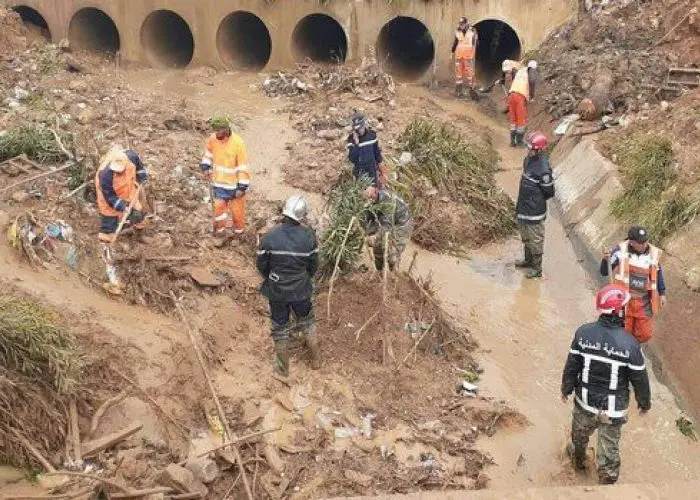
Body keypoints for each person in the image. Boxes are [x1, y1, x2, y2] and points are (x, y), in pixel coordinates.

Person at [561, 284, 651, 485]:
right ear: (619, 311)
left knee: (579, 437)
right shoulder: (630, 344)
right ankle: (608, 483)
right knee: (609, 448)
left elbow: (571, 366)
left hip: (584, 402)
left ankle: (579, 461)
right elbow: (640, 380)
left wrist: (565, 389)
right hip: (613, 409)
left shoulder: (583, 333)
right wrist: (644, 403)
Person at [256, 195, 320, 377]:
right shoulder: (309, 237)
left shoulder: (269, 237)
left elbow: (261, 265)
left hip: (277, 290)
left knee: (279, 327)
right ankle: (316, 360)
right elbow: (313, 265)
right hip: (301, 289)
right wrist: (303, 278)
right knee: (307, 321)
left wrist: (273, 278)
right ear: (302, 216)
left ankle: (283, 369)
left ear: (285, 212)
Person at [600, 226, 666, 343]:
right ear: (631, 242)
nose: (644, 244)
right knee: (623, 331)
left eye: (645, 241)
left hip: (644, 303)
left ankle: (633, 347)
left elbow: (658, 272)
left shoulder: (653, 254)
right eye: (640, 242)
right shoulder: (619, 251)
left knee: (645, 333)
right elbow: (604, 272)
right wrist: (606, 260)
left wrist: (662, 293)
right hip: (624, 303)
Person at [199, 117, 251, 242]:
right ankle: (220, 232)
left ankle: (238, 235)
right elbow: (208, 155)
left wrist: (242, 187)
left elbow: (242, 167)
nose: (217, 134)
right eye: (215, 131)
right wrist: (205, 167)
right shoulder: (213, 140)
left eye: (219, 131)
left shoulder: (238, 143)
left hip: (235, 187)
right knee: (218, 209)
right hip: (219, 184)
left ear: (226, 129)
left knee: (237, 213)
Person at [514, 131, 554, 279]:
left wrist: (534, 201)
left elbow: (549, 192)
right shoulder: (528, 161)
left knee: (536, 239)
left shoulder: (543, 169)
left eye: (532, 149)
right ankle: (528, 260)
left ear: (540, 150)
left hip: (535, 211)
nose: (529, 151)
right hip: (523, 207)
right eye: (529, 148)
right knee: (525, 236)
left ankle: (537, 269)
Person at [95, 145, 148, 243]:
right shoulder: (105, 175)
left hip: (127, 187)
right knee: (109, 212)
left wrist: (142, 176)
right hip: (108, 193)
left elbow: (140, 167)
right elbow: (110, 196)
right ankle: (106, 237)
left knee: (138, 211)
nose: (118, 172)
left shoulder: (131, 156)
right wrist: (123, 206)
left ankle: (139, 234)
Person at [364, 186, 411, 272]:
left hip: (400, 224)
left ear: (376, 192)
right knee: (378, 250)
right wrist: (367, 233)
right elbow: (367, 220)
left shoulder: (387, 202)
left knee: (393, 255)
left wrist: (374, 237)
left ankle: (394, 276)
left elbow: (386, 226)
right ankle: (379, 273)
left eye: (370, 198)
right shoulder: (368, 202)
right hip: (381, 221)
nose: (368, 201)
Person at [500, 59, 537, 146]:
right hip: (519, 96)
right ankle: (520, 142)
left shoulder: (520, 71)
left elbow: (513, 77)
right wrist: (532, 96)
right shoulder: (531, 71)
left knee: (513, 120)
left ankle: (512, 142)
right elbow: (532, 81)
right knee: (521, 120)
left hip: (511, 94)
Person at [347, 113, 387, 187]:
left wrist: (383, 173)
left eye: (360, 128)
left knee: (373, 193)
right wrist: (356, 144)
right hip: (359, 173)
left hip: (372, 172)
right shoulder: (351, 139)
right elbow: (352, 159)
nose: (358, 131)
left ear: (363, 124)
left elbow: (377, 155)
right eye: (356, 129)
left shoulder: (371, 135)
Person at [451, 16, 478, 99]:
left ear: (466, 23)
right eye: (460, 24)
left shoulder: (472, 31)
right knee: (458, 74)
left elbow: (475, 43)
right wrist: (452, 52)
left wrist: (474, 53)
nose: (461, 25)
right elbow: (455, 42)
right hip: (459, 55)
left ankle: (472, 90)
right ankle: (458, 91)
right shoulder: (457, 31)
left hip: (468, 56)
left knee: (470, 73)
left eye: (462, 24)